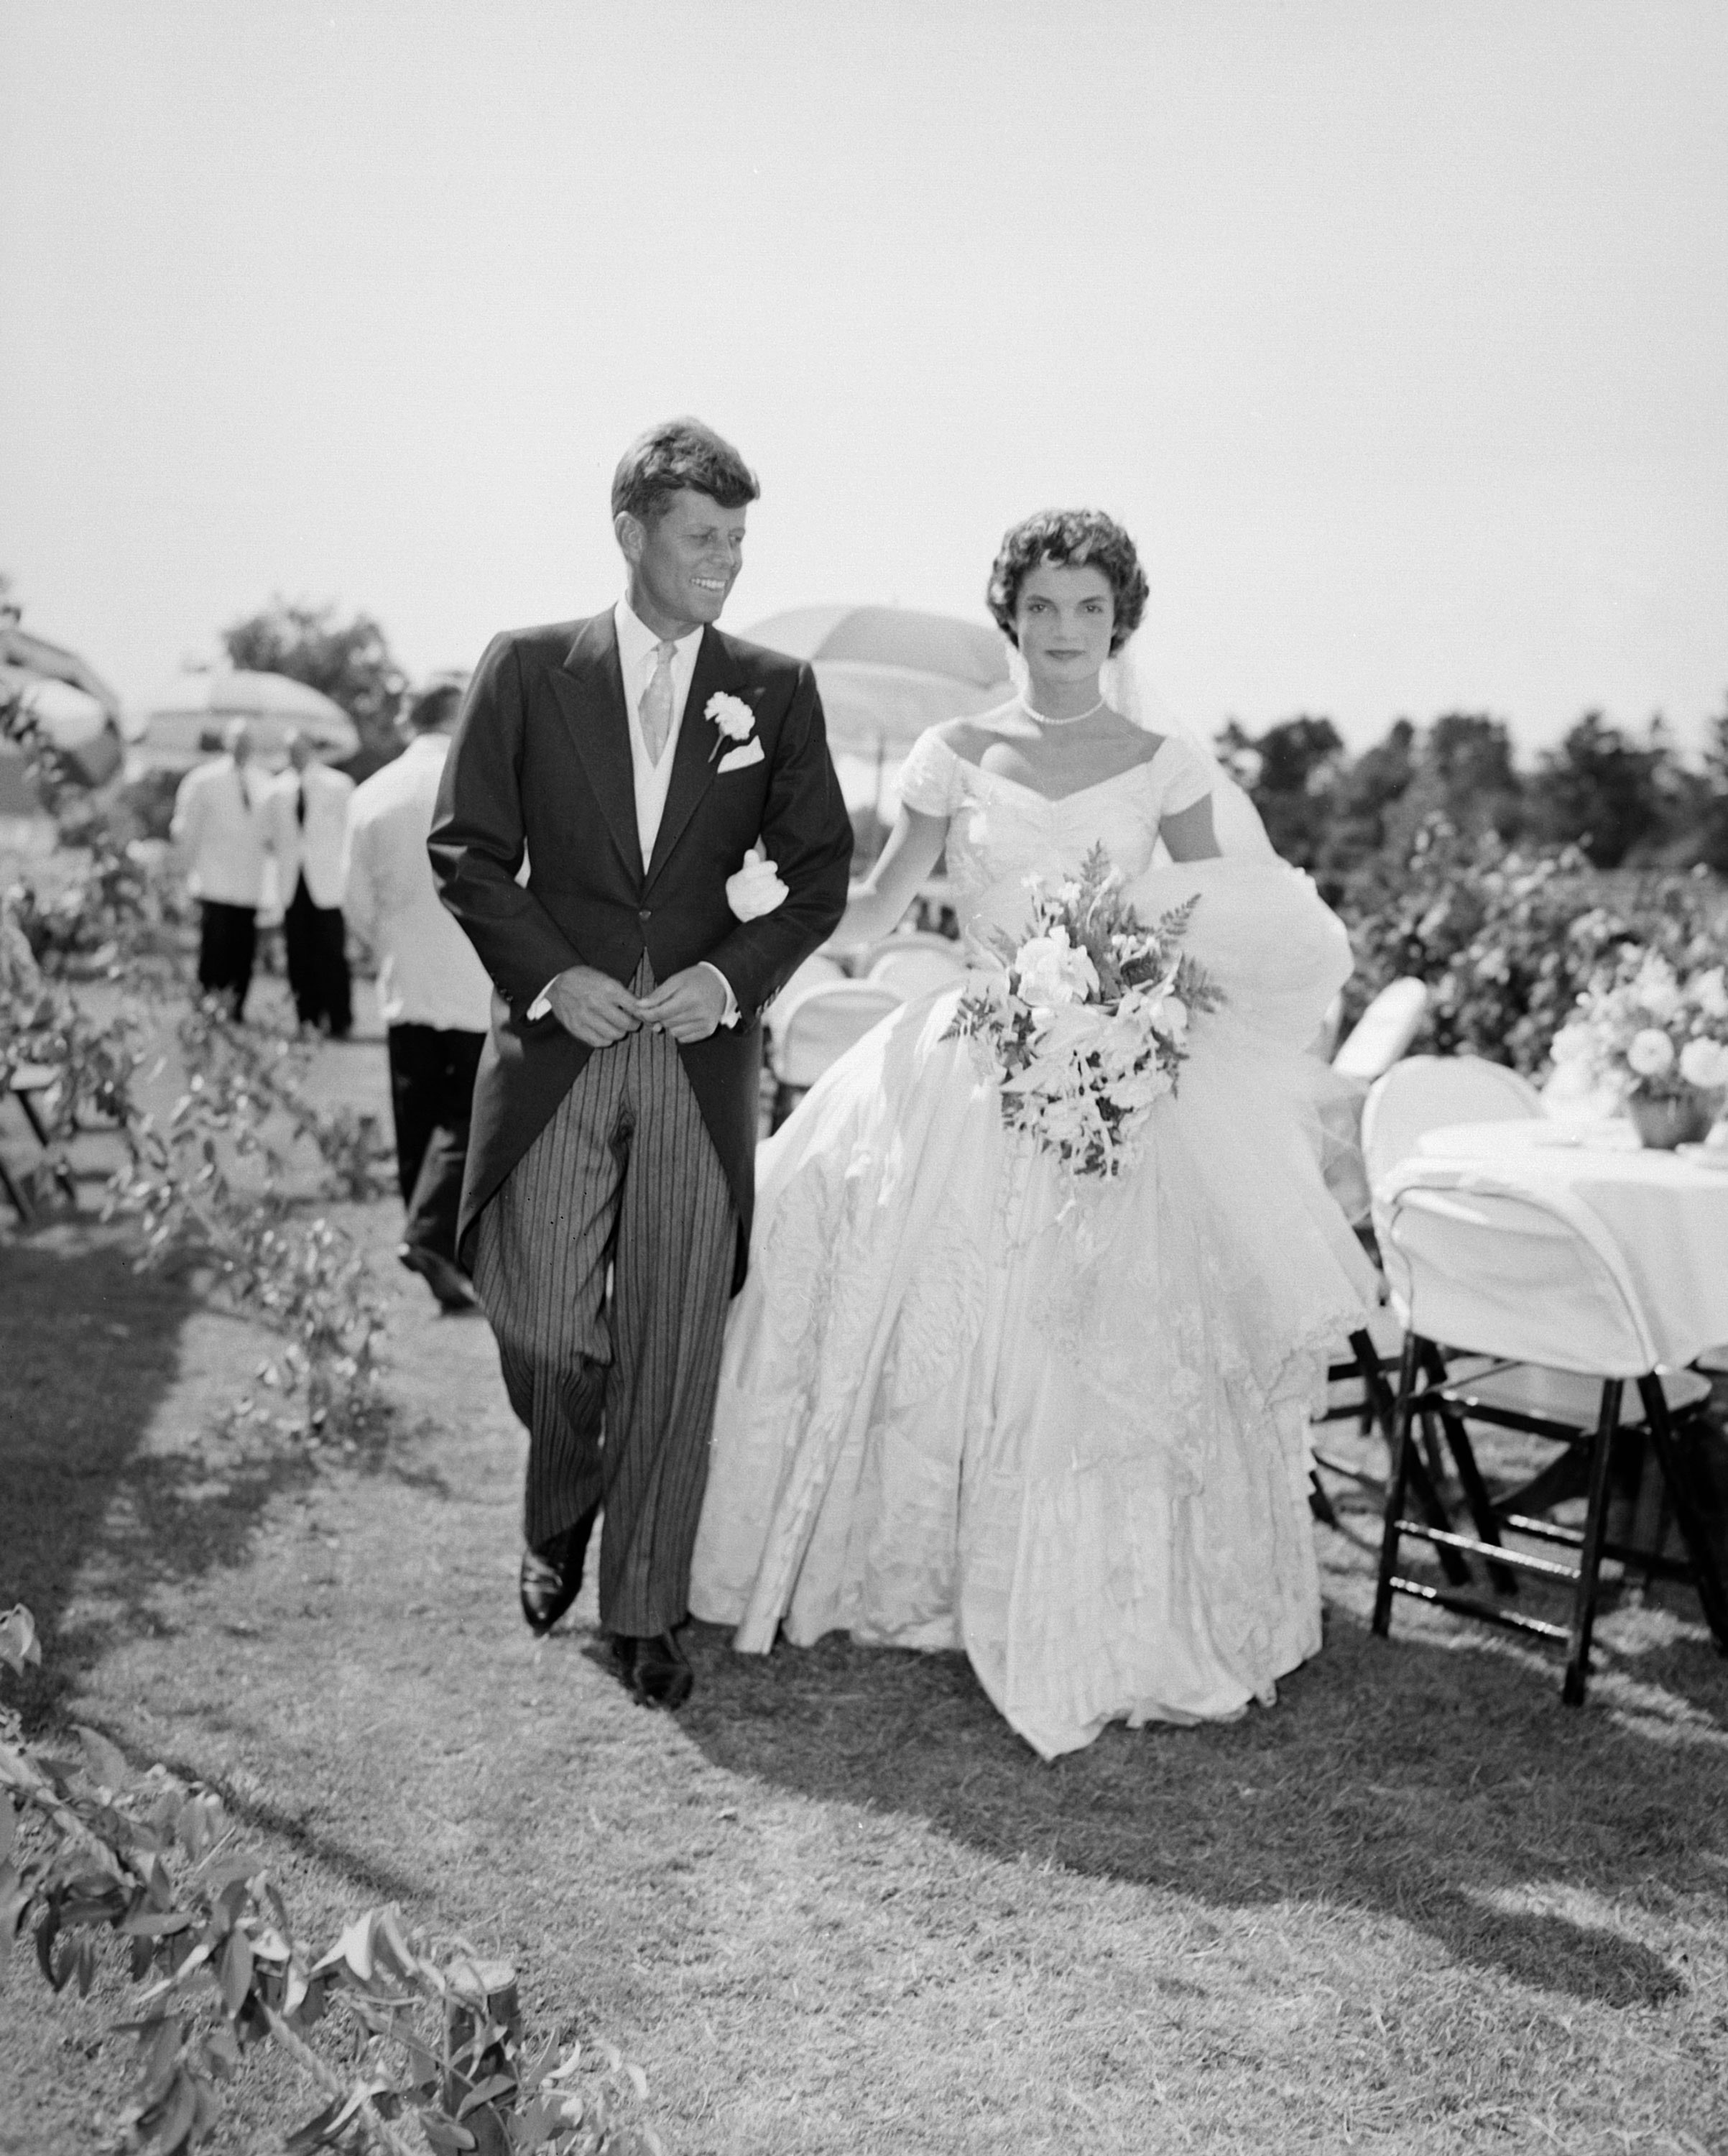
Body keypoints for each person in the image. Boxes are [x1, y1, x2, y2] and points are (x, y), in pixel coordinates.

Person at [689, 509, 1377, 1759]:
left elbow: (1221, 916)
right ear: (1011, 613)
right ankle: (913, 1563)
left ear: (1122, 621)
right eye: (1046, 607)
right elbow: (884, 897)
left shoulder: (1165, 762)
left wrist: (1132, 994)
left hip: (1115, 1065)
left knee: (1110, 1325)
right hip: (968, 1055)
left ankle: (1107, 1584)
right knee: (902, 1288)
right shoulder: (954, 752)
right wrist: (748, 912)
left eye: (1091, 610)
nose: (1067, 632)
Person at [429, 418, 854, 1708]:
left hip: (698, 1056)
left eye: (737, 539)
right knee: (546, 1316)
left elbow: (821, 874)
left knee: (675, 1335)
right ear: (632, 534)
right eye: (699, 536)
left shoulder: (774, 690)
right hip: (560, 1046)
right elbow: (467, 850)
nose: (723, 560)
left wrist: (727, 981)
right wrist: (556, 975)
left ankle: (648, 1607)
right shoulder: (523, 668)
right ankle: (562, 1495)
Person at [342, 678, 493, 1313]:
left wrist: (391, 943)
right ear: (459, 716)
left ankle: (425, 1238)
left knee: (418, 1118)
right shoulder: (484, 782)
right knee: (469, 1115)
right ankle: (436, 1242)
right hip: (475, 973)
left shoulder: (371, 792)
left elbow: (352, 900)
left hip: (404, 980)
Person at [169, 719, 273, 1020]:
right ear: (227, 742)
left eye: (247, 742)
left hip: (250, 882)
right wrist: (185, 872)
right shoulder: (203, 780)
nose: (242, 747)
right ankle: (208, 1003)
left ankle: (237, 1005)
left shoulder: (264, 782)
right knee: (215, 947)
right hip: (215, 879)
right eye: (237, 741)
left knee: (243, 950)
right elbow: (185, 829)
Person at [273, 730, 355, 1037]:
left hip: (328, 884)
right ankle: (306, 1018)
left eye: (301, 748)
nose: (296, 754)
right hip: (293, 884)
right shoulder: (277, 789)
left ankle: (340, 1018)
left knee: (332, 953)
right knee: (299, 955)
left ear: (312, 748)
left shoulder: (338, 784)